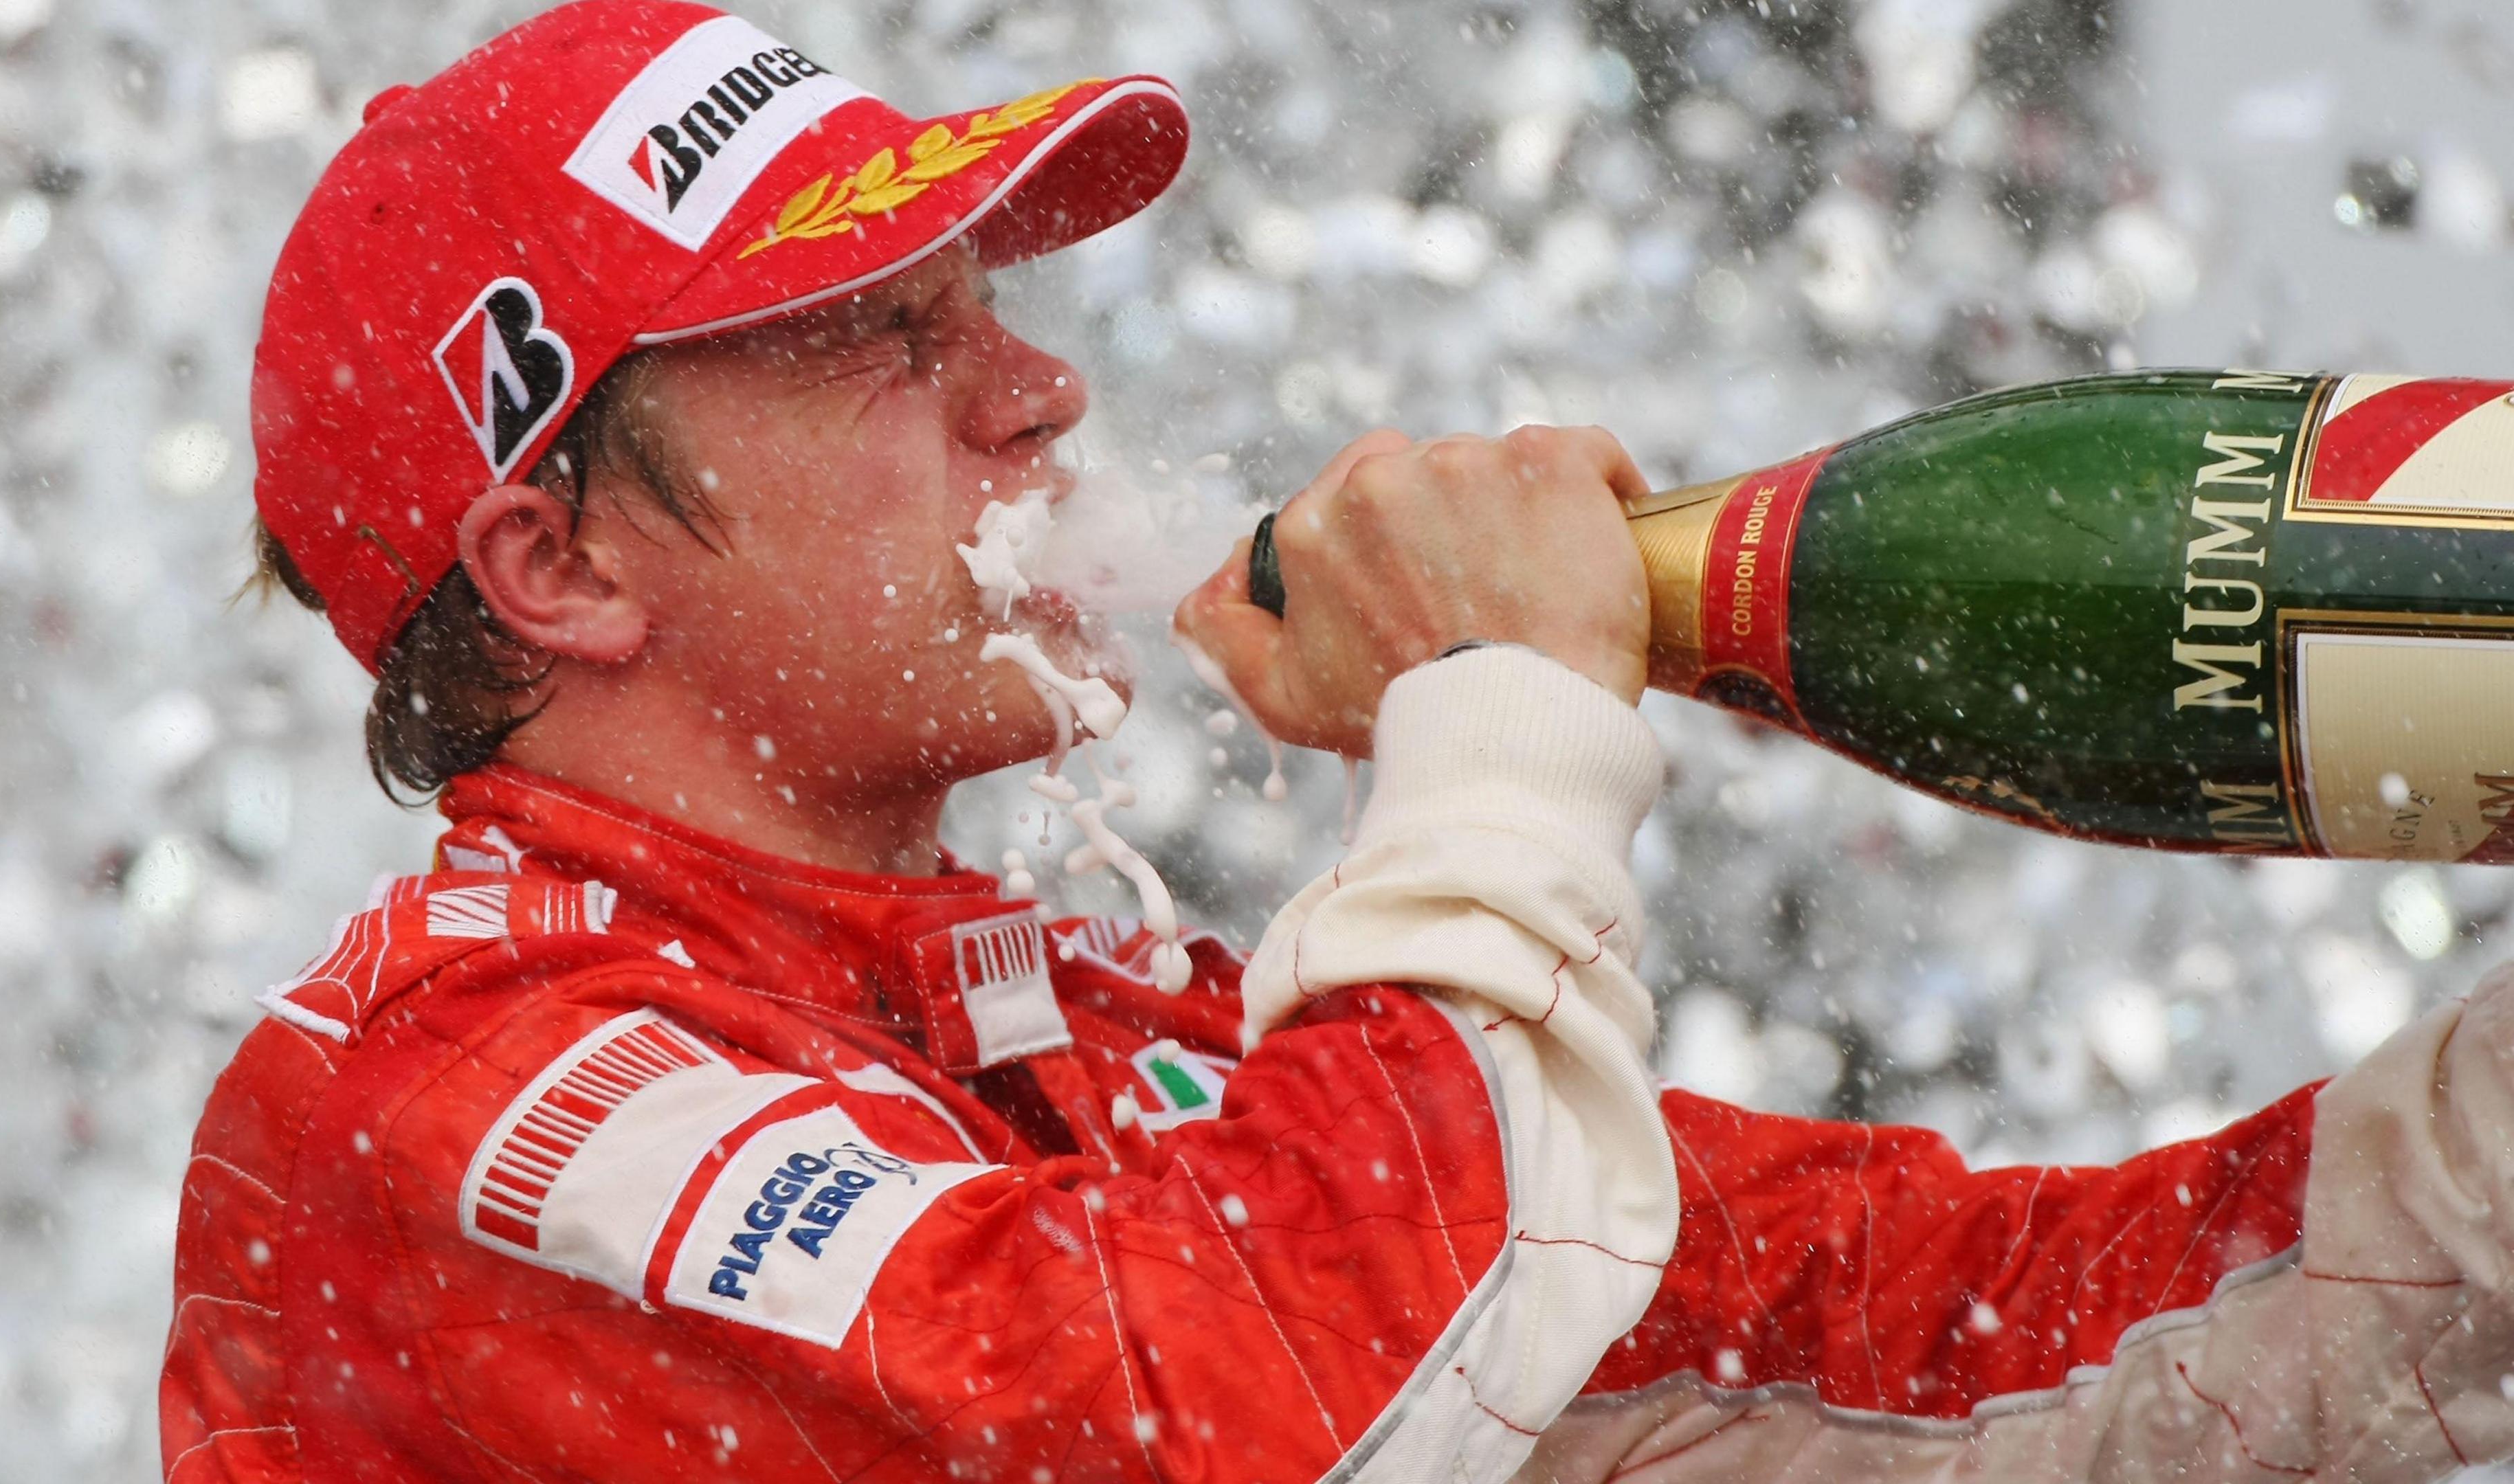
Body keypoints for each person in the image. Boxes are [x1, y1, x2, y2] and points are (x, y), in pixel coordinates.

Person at [165, 3, 2514, 1480]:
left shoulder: (1092, 1047)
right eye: (886, 341)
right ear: (558, 565)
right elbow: (1188, 1430)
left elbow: (1981, 1338)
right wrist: (1499, 735)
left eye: (996, 302)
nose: (1042, 389)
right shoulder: (432, 1096)